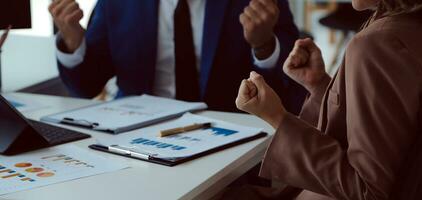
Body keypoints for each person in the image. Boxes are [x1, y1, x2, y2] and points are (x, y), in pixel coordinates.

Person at [229, 0, 422, 199]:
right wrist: (321, 85)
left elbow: (367, 192)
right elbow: (393, 129)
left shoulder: (378, 42)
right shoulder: (408, 26)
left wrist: (276, 117)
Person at [48, 0, 306, 112]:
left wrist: (263, 45)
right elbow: (85, 86)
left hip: (229, 134)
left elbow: (292, 90)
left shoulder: (256, 2)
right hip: (136, 130)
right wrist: (72, 40)